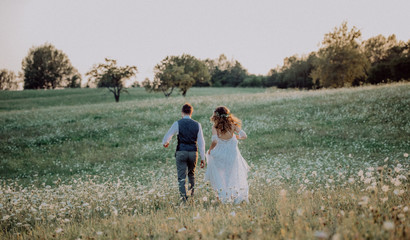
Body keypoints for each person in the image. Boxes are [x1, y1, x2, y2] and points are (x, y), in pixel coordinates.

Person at [205, 106, 249, 204]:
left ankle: (224, 195)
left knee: (220, 175)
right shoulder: (232, 125)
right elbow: (244, 135)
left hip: (220, 155)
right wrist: (236, 136)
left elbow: (215, 141)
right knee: (231, 174)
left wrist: (210, 150)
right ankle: (233, 194)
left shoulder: (215, 127)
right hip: (232, 155)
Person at [162, 103, 206, 202]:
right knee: (191, 174)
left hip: (181, 151)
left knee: (181, 177)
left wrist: (165, 143)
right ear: (191, 112)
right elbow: (201, 142)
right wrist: (203, 158)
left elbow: (167, 136)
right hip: (193, 152)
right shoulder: (197, 124)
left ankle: (184, 199)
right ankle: (192, 196)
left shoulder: (177, 123)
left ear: (182, 112)